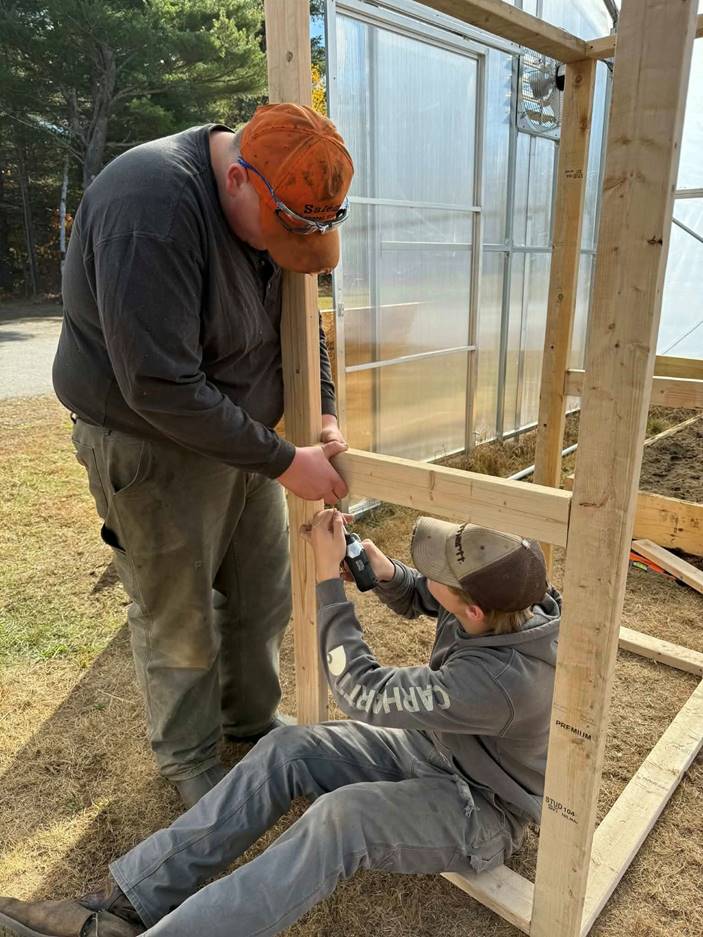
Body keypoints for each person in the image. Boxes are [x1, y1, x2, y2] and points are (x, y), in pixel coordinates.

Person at [0, 509, 561, 937]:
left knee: (342, 819)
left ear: (475, 611)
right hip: (436, 749)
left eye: (442, 570)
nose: (432, 571)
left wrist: (328, 582)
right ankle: (125, 902)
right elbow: (431, 597)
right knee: (288, 748)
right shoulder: (517, 600)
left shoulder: (504, 681)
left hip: (480, 806)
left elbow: (360, 689)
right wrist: (386, 572)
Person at [51, 104, 354, 807]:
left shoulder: (275, 197)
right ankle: (189, 759)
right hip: (151, 442)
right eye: (280, 234)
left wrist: (321, 408)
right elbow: (158, 383)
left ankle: (249, 720)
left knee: (261, 592)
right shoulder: (149, 209)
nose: (285, 250)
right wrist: (286, 460)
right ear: (240, 179)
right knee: (176, 607)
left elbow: (301, 320)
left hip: (244, 440)